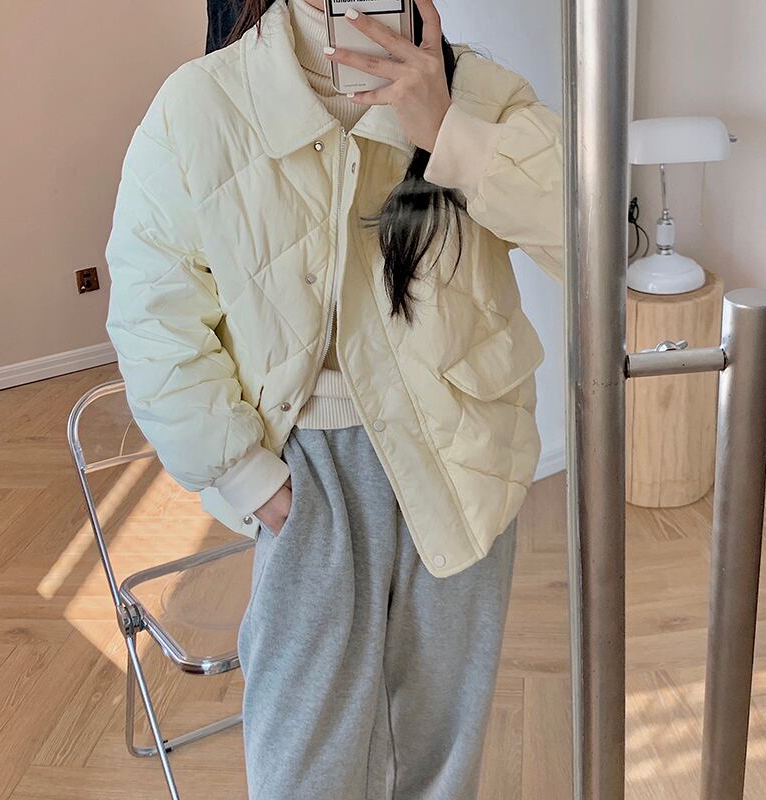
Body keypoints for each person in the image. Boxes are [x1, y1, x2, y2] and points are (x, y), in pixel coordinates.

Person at [104, 0, 563, 797]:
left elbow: (596, 235)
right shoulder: (199, 105)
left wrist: (449, 131)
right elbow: (154, 316)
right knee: (303, 764)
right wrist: (248, 477)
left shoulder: (479, 92)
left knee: (440, 752)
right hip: (306, 475)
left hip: (459, 459)